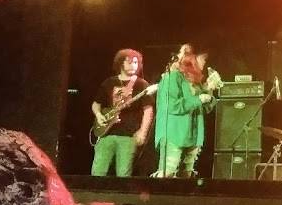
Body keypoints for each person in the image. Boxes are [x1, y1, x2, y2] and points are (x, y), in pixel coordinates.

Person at [153, 44, 219, 178]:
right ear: (191, 58)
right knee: (168, 174)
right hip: (174, 134)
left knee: (187, 176)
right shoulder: (173, 76)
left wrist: (209, 88)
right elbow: (172, 105)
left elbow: (206, 108)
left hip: (193, 136)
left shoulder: (195, 81)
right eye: (203, 59)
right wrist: (199, 99)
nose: (205, 63)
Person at [91, 49, 155, 177]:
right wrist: (99, 115)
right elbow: (96, 104)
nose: (133, 65)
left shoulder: (141, 84)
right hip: (106, 134)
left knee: (124, 174)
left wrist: (143, 132)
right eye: (129, 62)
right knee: (98, 172)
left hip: (128, 136)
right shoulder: (109, 83)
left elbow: (148, 110)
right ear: (121, 63)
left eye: (136, 63)